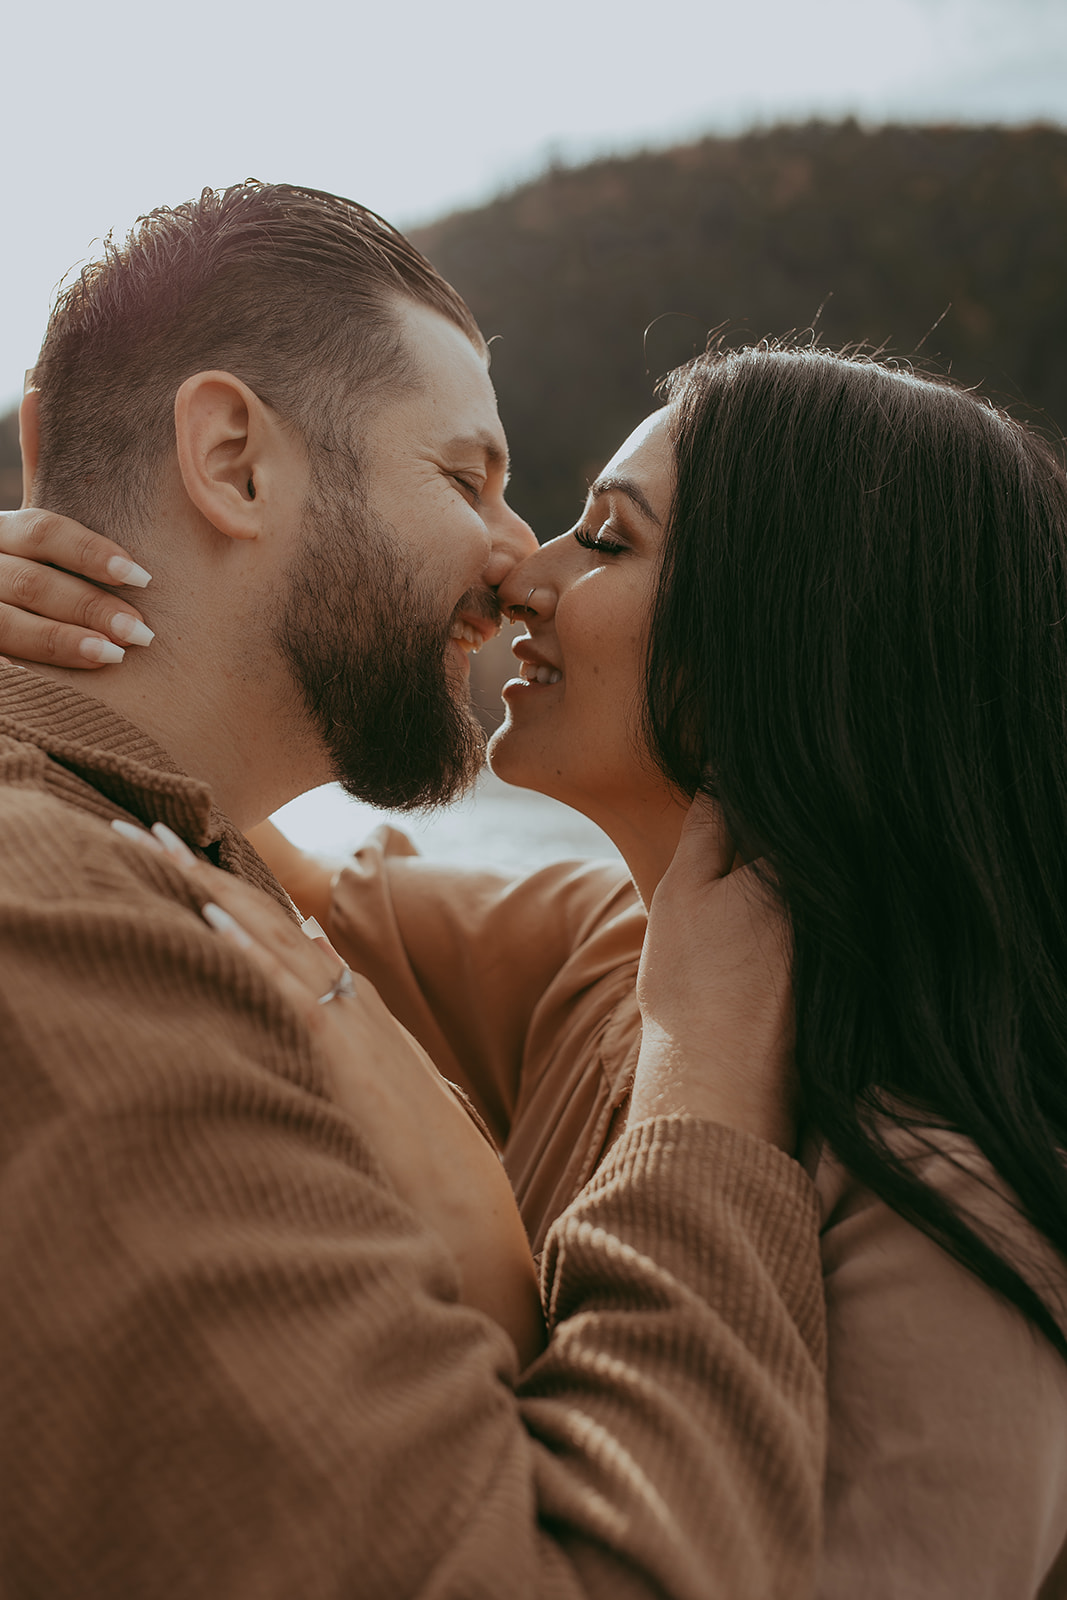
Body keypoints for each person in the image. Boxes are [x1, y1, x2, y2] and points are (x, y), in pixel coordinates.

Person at [10, 338, 1067, 1594]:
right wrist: (65, 627)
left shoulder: (948, 1203)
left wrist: (701, 1088)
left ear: (798, 631)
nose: (522, 575)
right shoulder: (603, 958)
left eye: (606, 541)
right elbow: (220, 842)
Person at [0, 183, 829, 1598]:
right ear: (233, 461)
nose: (515, 561)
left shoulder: (188, 855)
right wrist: (706, 1110)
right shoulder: (59, 920)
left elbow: (510, 934)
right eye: (464, 479)